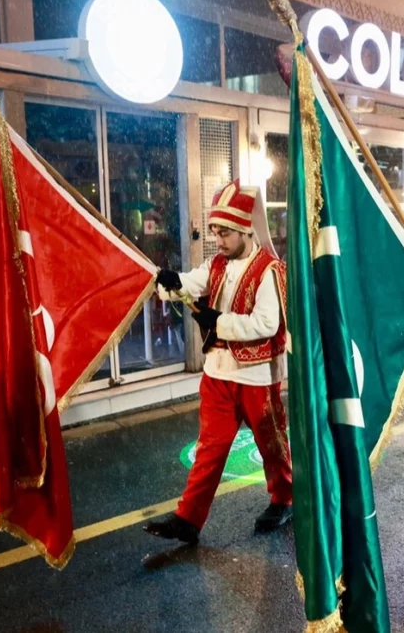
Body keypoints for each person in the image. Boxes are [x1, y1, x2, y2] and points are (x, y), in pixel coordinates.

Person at [144, 180, 293, 544]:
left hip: (258, 376)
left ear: (245, 229)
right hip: (217, 375)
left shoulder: (270, 270)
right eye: (215, 232)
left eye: (225, 233)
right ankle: (189, 518)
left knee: (271, 446)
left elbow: (266, 323)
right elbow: (189, 284)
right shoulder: (216, 264)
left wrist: (218, 321)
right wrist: (169, 282)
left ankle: (285, 498)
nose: (219, 240)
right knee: (209, 449)